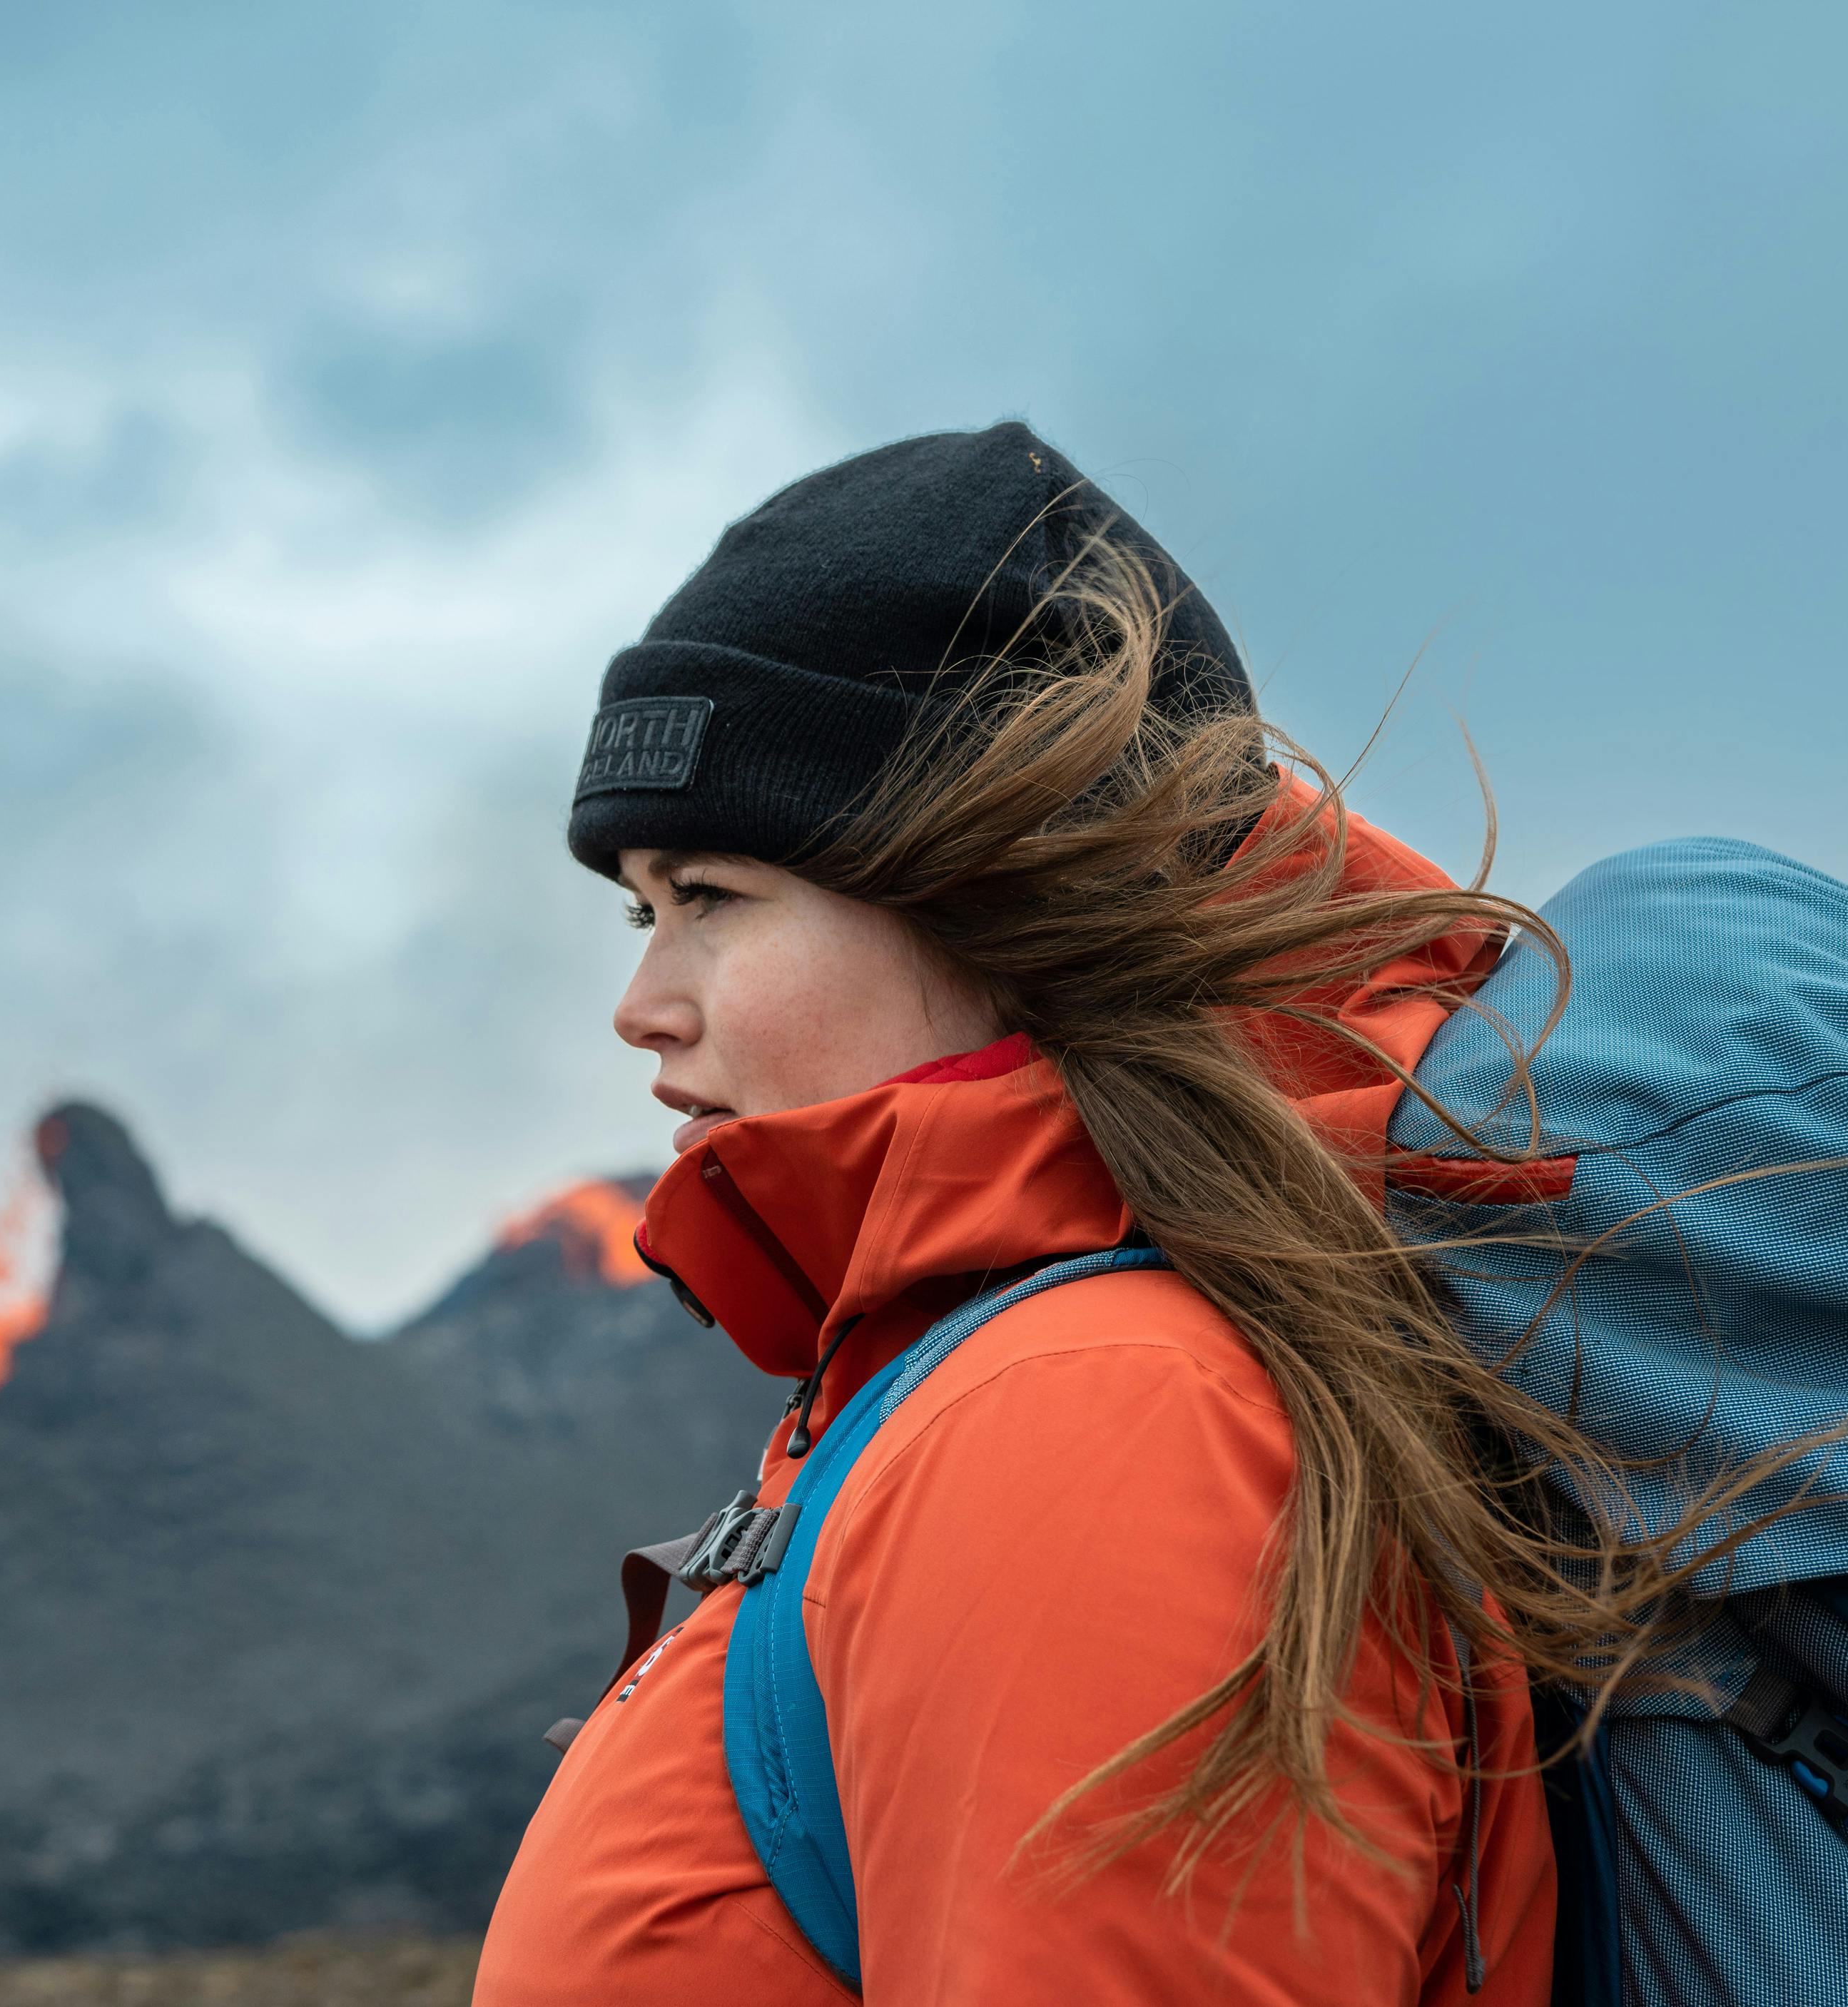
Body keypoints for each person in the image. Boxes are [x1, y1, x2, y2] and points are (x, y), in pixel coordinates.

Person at [473, 423, 1638, 2004]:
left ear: (998, 896)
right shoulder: (977, 1384)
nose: (641, 1004)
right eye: (639, 907)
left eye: (713, 901)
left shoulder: (1094, 1422)